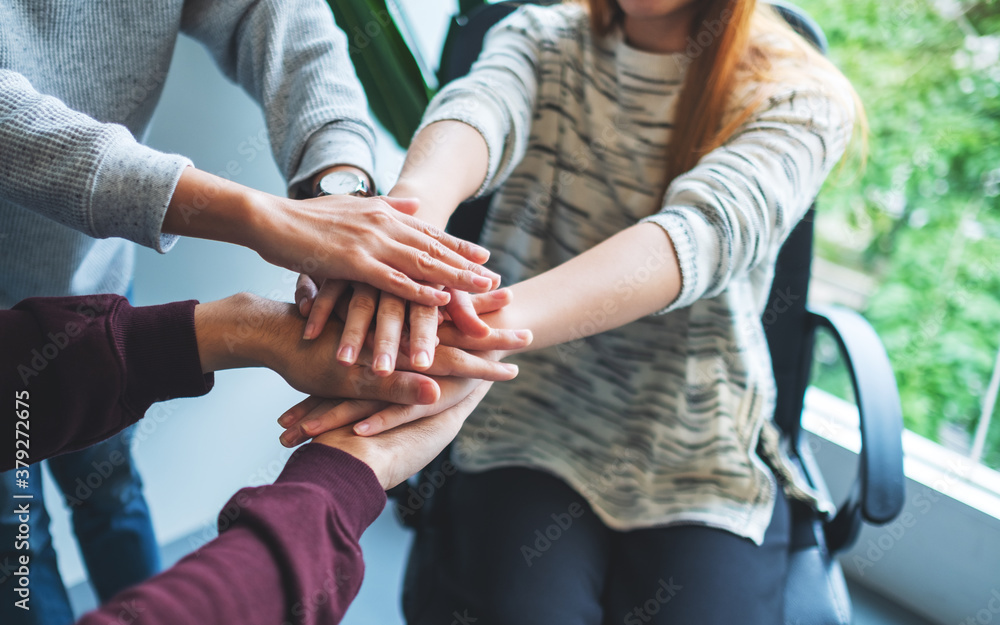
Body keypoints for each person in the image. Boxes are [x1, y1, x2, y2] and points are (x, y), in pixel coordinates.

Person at [288, 0, 864, 623]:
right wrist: (400, 230)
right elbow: (477, 110)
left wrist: (477, 334)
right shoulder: (541, 35)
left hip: (692, 448)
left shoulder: (800, 94)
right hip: (525, 419)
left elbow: (700, 234)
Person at [0, 0, 501, 620]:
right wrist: (261, 219)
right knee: (18, 531)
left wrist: (335, 189)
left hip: (97, 296)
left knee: (110, 488)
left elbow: (280, 19)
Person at [2, 293, 527, 625]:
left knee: (109, 494)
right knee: (18, 526)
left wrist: (243, 330)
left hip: (64, 320)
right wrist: (342, 475)